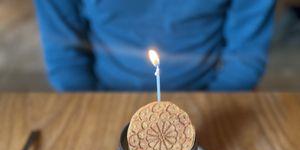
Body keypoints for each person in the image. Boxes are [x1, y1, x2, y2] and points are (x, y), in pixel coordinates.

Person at [34, 0, 275, 92]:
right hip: (105, 93)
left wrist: (211, 105)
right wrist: (92, 109)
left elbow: (246, 57)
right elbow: (64, 55)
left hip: (207, 92)